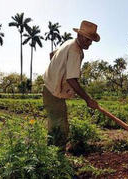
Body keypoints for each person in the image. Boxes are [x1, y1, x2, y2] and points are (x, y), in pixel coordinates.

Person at [43, 20, 100, 152]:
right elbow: (72, 79)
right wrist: (88, 99)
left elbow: (52, 55)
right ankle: (56, 161)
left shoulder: (69, 42)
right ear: (79, 36)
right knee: (60, 128)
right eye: (87, 40)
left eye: (91, 40)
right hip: (53, 91)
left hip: (49, 87)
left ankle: (53, 156)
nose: (90, 43)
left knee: (56, 125)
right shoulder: (75, 51)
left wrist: (56, 72)